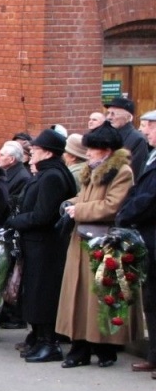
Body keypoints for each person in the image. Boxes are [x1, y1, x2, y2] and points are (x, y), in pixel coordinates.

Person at [56, 122, 135, 368]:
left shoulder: (121, 172)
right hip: (82, 240)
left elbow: (112, 205)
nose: (87, 152)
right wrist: (70, 202)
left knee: (97, 297)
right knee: (78, 297)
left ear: (107, 150)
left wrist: (78, 210)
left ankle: (102, 347)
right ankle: (80, 346)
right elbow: (86, 197)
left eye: (93, 149)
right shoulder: (93, 169)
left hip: (103, 242)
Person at [6, 130, 76, 362]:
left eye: (35, 149)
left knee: (43, 293)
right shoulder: (46, 173)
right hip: (38, 243)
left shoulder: (52, 176)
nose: (31, 152)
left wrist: (16, 221)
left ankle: (49, 342)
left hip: (46, 245)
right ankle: (38, 337)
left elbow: (43, 215)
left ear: (47, 152)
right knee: (35, 292)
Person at [117, 110, 156, 377]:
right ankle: (153, 355)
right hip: (147, 237)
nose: (144, 131)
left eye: (149, 126)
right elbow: (137, 192)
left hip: (152, 232)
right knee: (151, 301)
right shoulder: (151, 156)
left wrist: (126, 214)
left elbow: (149, 199)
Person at [104, 96, 147, 180]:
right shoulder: (106, 135)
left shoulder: (137, 139)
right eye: (108, 113)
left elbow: (134, 172)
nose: (109, 117)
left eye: (113, 113)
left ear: (128, 117)